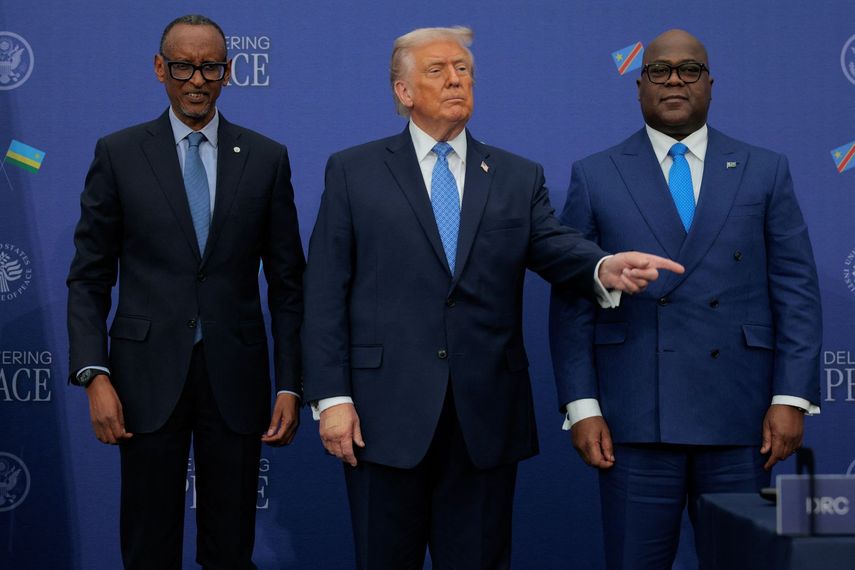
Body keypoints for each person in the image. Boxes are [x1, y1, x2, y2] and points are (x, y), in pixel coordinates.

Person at [302, 26, 682, 569]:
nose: (456, 79)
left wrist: (602, 264)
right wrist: (332, 398)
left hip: (484, 417)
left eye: (464, 70)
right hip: (382, 418)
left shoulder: (515, 175)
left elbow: (553, 245)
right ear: (402, 92)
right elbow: (324, 291)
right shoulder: (353, 170)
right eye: (438, 70)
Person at [549, 29, 822, 569]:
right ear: (639, 85)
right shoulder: (596, 174)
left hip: (742, 420)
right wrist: (582, 407)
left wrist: (791, 399)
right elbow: (572, 302)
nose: (674, 79)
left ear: (711, 84)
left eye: (690, 69)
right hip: (634, 418)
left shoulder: (764, 170)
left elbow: (796, 290)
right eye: (659, 70)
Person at [66, 14, 305, 569]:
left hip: (236, 380)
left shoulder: (267, 159)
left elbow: (290, 286)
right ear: (159, 69)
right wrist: (92, 373)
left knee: (230, 548)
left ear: (228, 72)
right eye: (182, 67)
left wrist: (292, 384)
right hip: (142, 380)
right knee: (149, 547)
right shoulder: (119, 153)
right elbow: (89, 276)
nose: (196, 80)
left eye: (210, 67)